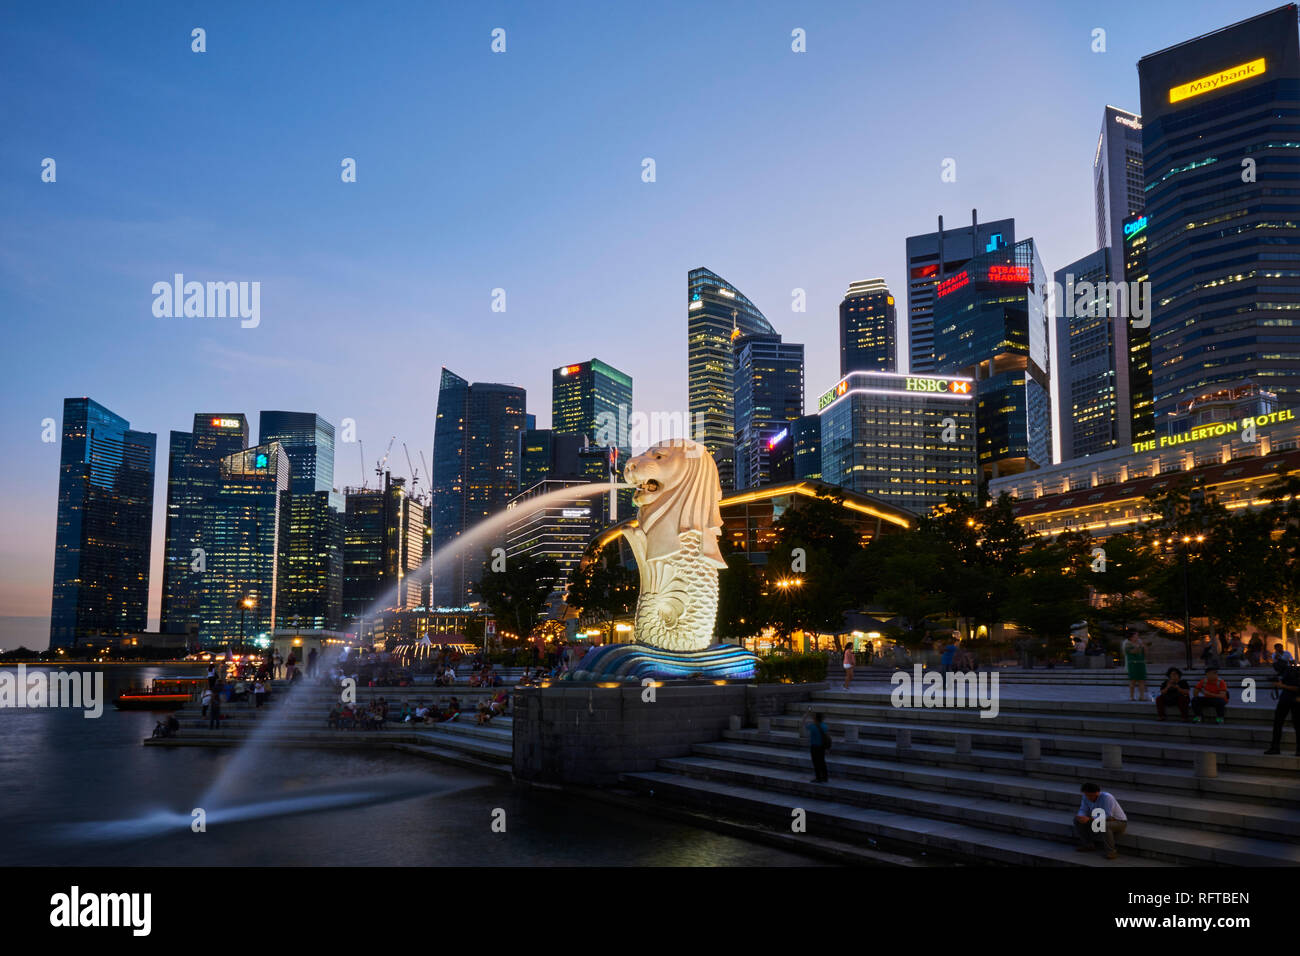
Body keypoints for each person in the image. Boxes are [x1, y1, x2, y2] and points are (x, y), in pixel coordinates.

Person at [1074, 783, 1128, 859]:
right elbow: (1083, 809)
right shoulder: (1085, 796)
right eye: (1086, 795)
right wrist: (1081, 816)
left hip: (1118, 822)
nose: (1088, 797)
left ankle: (1111, 851)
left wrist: (1089, 819)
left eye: (1090, 795)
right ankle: (1088, 845)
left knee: (1104, 825)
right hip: (1098, 818)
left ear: (1097, 793)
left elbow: (1108, 815)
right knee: (1077, 820)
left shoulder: (1107, 797)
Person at [1264, 658, 1300, 756]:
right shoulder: (1286, 672)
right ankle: (1275, 747)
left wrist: (1281, 686)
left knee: (1291, 724)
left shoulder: (1291, 672)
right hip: (1287, 700)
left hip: (1293, 700)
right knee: (1278, 724)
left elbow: (1297, 687)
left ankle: (1276, 748)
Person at [1121, 631, 1147, 701]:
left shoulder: (1139, 643)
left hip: (1141, 664)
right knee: (1133, 681)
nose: (1137, 637)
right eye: (1136, 635)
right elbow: (1132, 652)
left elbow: (1145, 653)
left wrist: (1143, 646)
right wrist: (1138, 646)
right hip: (1133, 664)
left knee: (1141, 681)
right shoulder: (1127, 644)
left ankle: (1142, 696)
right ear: (1131, 637)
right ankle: (1131, 696)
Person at [807, 712, 831, 783]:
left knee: (816, 763)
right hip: (822, 747)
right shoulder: (825, 726)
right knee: (822, 762)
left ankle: (818, 778)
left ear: (815, 718)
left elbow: (803, 725)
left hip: (814, 747)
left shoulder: (812, 726)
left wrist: (805, 717)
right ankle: (825, 777)